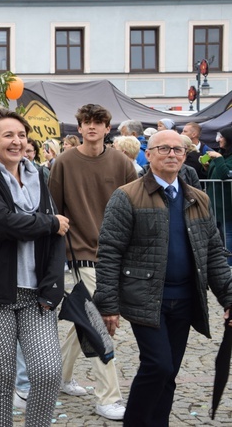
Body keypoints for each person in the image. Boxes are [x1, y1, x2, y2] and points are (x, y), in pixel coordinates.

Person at [94, 129, 232, 426]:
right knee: (158, 365)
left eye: (178, 150)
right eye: (164, 149)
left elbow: (214, 253)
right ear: (150, 153)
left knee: (169, 373)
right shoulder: (127, 196)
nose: (172, 154)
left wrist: (228, 297)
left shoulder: (198, 199)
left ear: (185, 156)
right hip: (146, 299)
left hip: (185, 299)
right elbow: (109, 252)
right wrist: (107, 304)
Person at [0, 107, 67, 426]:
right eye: (8, 135)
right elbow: (2, 223)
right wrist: (48, 222)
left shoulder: (39, 176)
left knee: (48, 373)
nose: (17, 141)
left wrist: (53, 285)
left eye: (21, 135)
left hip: (36, 295)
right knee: (1, 379)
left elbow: (59, 236)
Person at [48, 104, 137, 421]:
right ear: (79, 127)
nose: (91, 128)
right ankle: (108, 396)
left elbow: (134, 207)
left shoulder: (122, 163)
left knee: (81, 320)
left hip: (116, 255)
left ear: (107, 127)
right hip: (81, 253)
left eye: (97, 123)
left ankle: (58, 374)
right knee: (98, 321)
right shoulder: (63, 162)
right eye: (86, 122)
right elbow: (53, 210)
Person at [205, 127, 232, 264]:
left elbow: (225, 174)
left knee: (228, 236)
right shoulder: (222, 154)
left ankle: (229, 267)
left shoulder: (223, 157)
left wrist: (219, 158)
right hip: (215, 204)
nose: (218, 139)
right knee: (217, 237)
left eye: (221, 137)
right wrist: (207, 166)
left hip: (227, 206)